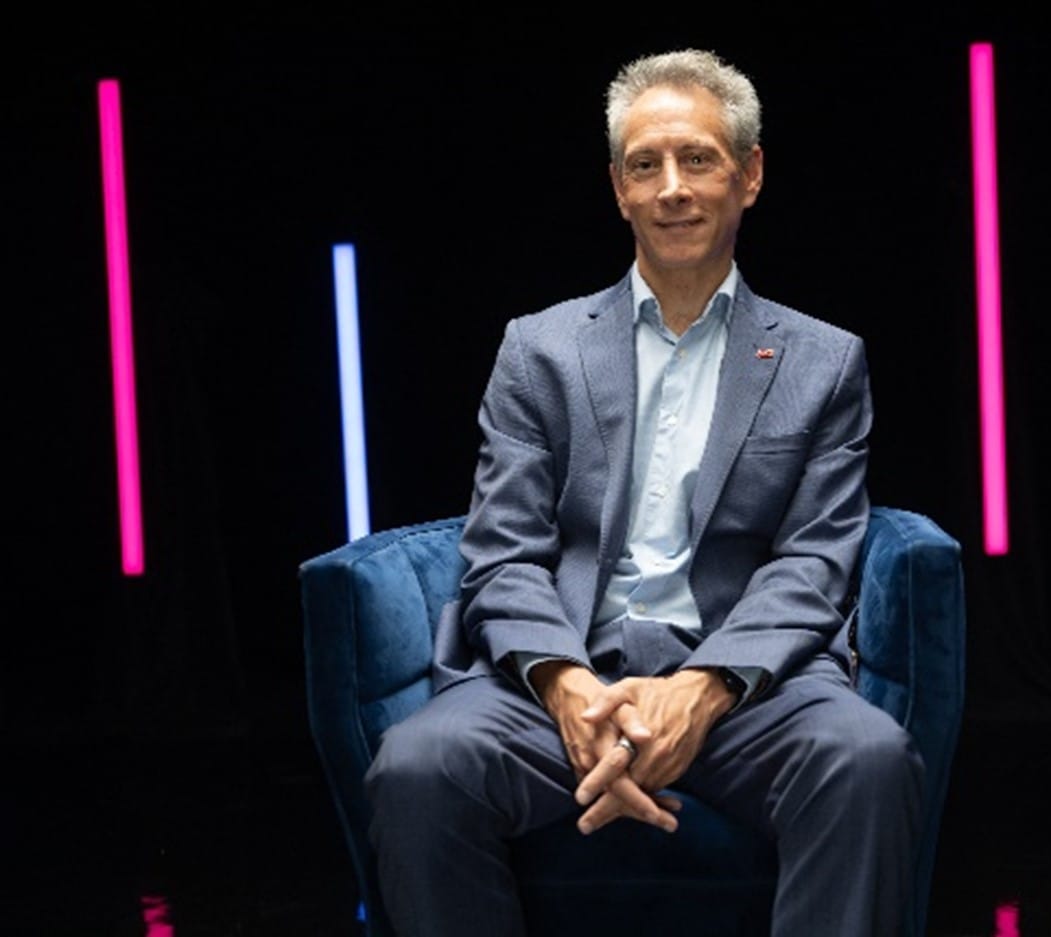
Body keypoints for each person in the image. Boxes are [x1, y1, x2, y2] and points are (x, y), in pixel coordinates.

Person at [364, 47, 925, 936]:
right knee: (416, 767)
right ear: (617, 189)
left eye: (697, 159)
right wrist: (568, 689)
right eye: (644, 165)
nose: (672, 188)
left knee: (868, 759)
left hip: (748, 691)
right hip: (563, 679)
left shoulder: (823, 360)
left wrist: (701, 688)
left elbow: (814, 560)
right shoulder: (539, 350)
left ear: (749, 175)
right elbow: (502, 552)